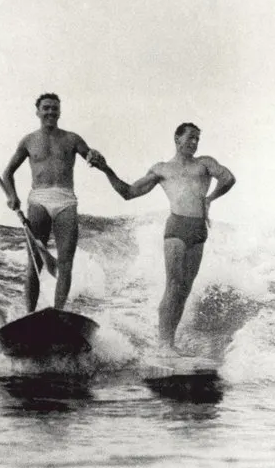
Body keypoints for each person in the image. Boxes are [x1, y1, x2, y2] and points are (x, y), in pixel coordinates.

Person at [91, 122, 236, 356]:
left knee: (185, 290)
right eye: (190, 137)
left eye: (197, 139)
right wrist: (106, 168)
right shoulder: (162, 169)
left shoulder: (205, 163)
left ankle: (170, 343)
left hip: (199, 230)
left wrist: (209, 199)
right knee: (173, 286)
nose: (194, 142)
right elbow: (128, 193)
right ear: (177, 139)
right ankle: (164, 344)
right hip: (177, 228)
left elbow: (228, 178)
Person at [2, 93, 104, 312]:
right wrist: (12, 195)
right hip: (38, 199)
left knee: (65, 263)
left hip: (65, 200)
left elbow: (90, 156)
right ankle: (30, 314)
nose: (50, 112)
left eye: (54, 108)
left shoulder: (72, 138)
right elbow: (7, 172)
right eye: (46, 108)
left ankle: (57, 313)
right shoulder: (28, 140)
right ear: (37, 112)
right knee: (35, 263)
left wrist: (94, 156)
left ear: (60, 111)